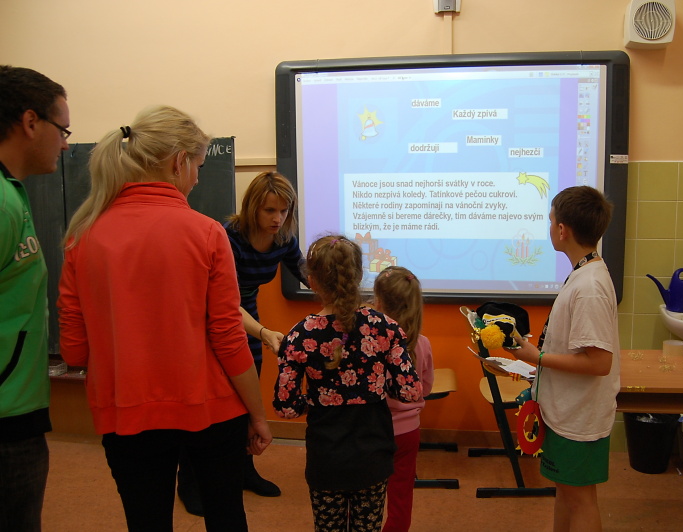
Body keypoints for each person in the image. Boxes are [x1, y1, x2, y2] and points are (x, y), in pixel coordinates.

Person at [57, 105, 272, 532]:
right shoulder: (207, 232)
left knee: (146, 521)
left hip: (126, 412)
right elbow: (228, 338)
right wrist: (258, 414)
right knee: (227, 517)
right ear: (178, 162)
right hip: (211, 409)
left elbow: (75, 352)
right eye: (198, 166)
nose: (197, 178)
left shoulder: (82, 236)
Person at [273, 235, 423, 532]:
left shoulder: (298, 336)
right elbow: (411, 391)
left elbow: (285, 407)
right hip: (373, 455)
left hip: (326, 458)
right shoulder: (387, 328)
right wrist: (377, 386)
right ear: (358, 276)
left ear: (312, 281)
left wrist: (315, 400)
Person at [177, 171, 304, 513]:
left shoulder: (284, 238)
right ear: (252, 208)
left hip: (247, 315)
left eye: (284, 211)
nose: (278, 219)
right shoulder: (227, 238)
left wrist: (343, 291)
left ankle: (244, 470)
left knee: (246, 400)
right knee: (205, 403)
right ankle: (188, 482)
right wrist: (263, 332)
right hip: (212, 318)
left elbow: (307, 274)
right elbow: (223, 302)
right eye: (270, 211)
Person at [507, 186, 620, 532]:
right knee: (566, 494)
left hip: (578, 416)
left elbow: (599, 363)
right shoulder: (584, 274)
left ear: (561, 229)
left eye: (550, 220)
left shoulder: (589, 288)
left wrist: (537, 357)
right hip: (566, 409)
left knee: (580, 499)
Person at [0, 65, 69, 532]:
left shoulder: (12, 193)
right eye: (62, 130)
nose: (65, 144)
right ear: (30, 122)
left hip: (17, 412)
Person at [372, 266, 434, 532]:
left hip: (373, 429)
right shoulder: (422, 343)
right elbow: (425, 388)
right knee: (401, 496)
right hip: (408, 432)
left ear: (377, 303)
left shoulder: (368, 342)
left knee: (369, 493)